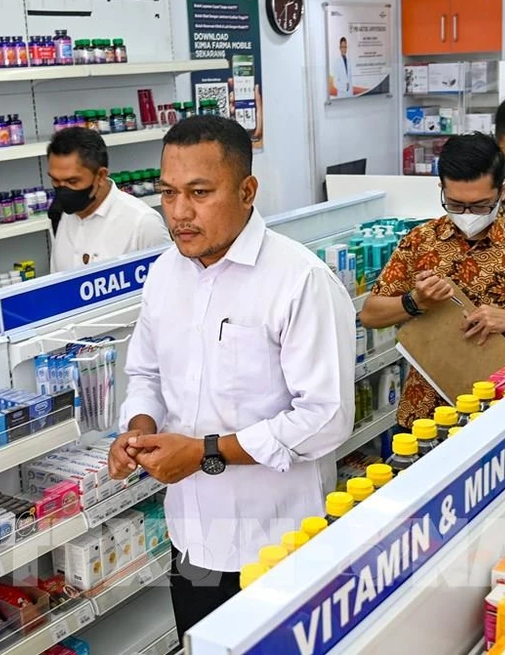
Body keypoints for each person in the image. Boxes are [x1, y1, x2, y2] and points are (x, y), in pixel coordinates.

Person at [108, 116, 355, 639]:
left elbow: (325, 418)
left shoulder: (298, 280)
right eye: (168, 193)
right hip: (192, 539)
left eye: (200, 192)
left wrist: (204, 452)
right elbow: (145, 371)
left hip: (279, 542)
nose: (179, 213)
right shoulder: (163, 274)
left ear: (247, 191)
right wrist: (137, 427)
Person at [360, 133, 505, 431]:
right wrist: (415, 301)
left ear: (502, 192)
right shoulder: (421, 241)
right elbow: (370, 315)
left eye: (481, 205)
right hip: (425, 416)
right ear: (442, 189)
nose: (468, 215)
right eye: (456, 205)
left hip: (503, 411)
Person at [46, 127, 168, 272]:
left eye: (72, 181)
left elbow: (167, 286)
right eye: (55, 180)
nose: (62, 190)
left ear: (101, 176)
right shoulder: (61, 215)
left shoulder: (142, 223)